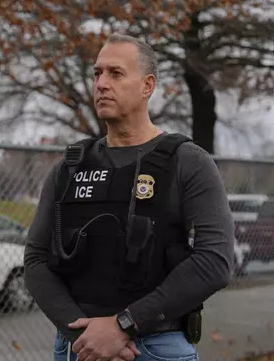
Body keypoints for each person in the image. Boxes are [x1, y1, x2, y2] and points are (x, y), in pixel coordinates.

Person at [24, 33, 235, 361]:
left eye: (116, 73)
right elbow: (36, 259)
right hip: (76, 348)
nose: (101, 84)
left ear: (147, 86)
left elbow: (216, 261)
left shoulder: (188, 161)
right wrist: (82, 333)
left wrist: (124, 325)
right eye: (97, 74)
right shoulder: (69, 168)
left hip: (154, 347)